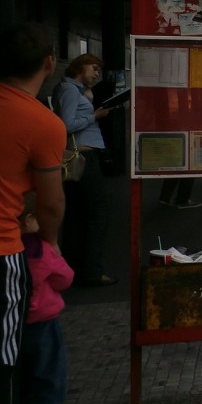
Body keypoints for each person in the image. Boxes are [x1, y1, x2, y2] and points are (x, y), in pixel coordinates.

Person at [0, 22, 66, 404]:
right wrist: (49, 245)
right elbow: (51, 202)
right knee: (2, 362)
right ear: (49, 64)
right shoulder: (41, 122)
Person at [14, 212, 74, 404]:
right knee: (47, 383)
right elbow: (66, 278)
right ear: (29, 220)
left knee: (19, 382)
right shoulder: (40, 248)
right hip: (44, 325)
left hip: (15, 326)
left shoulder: (7, 252)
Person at [52, 54, 116, 287]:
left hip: (82, 156)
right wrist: (94, 116)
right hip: (83, 158)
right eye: (94, 68)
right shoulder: (70, 91)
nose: (97, 73)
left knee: (77, 213)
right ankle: (91, 270)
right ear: (80, 67)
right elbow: (66, 124)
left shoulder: (73, 89)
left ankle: (72, 268)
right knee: (97, 212)